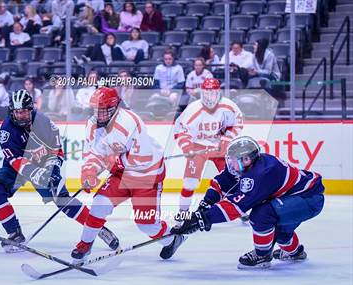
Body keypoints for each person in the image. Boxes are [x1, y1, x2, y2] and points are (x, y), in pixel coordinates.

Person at [0, 89, 119, 253]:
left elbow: (57, 151)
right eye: (17, 112)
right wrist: (36, 174)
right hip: (16, 167)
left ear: (31, 109)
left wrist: (53, 171)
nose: (21, 115)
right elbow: (15, 160)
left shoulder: (44, 123)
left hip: (43, 164)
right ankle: (15, 233)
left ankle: (99, 228)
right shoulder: (6, 130)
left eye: (24, 111)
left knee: (63, 200)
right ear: (11, 112)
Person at [172, 136, 325, 269]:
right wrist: (204, 207)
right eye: (230, 160)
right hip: (297, 196)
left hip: (309, 199)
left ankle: (262, 256)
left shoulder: (260, 173)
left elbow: (234, 207)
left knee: (262, 214)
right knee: (280, 233)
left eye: (233, 161)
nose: (231, 165)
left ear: (247, 159)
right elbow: (222, 183)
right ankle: (295, 253)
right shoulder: (247, 165)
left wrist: (203, 218)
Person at [71, 87, 186, 261]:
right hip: (120, 175)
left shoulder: (129, 122)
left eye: (104, 111)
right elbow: (93, 153)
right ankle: (85, 245)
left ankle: (173, 238)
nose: (99, 115)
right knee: (99, 203)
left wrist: (108, 162)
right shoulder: (92, 125)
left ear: (115, 107)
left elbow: (141, 159)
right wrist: (89, 171)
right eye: (96, 110)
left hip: (146, 176)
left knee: (146, 225)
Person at [173, 78, 243, 225]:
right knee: (190, 183)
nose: (210, 96)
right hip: (198, 147)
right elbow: (180, 130)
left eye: (213, 92)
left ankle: (239, 208)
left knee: (233, 179)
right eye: (207, 92)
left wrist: (226, 140)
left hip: (220, 148)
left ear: (218, 92)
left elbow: (237, 123)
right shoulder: (193, 109)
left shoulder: (228, 106)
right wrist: (187, 147)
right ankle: (183, 213)